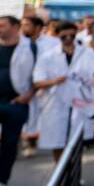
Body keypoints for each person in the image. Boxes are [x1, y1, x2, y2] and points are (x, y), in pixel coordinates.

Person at [0, 15, 36, 186]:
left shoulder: (30, 47)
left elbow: (39, 73)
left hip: (15, 103)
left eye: (1, 26)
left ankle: (0, 182)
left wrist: (28, 94)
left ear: (15, 27)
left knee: (9, 144)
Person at [32, 21, 78, 161]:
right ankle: (60, 175)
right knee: (57, 141)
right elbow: (37, 81)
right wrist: (54, 81)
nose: (69, 38)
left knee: (76, 142)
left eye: (72, 35)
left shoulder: (85, 53)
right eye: (64, 36)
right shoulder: (47, 57)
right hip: (55, 103)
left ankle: (75, 177)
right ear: (57, 36)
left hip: (78, 103)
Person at [19, 13, 46, 158]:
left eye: (27, 25)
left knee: (34, 116)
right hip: (21, 84)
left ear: (38, 27)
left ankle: (31, 142)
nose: (23, 28)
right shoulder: (18, 42)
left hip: (41, 85)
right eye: (22, 24)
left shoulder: (49, 43)